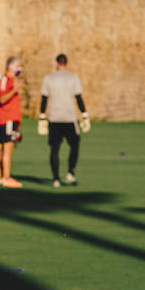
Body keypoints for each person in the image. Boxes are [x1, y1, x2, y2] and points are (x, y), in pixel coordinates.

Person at [39, 53, 89, 188]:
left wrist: (42, 117)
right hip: (69, 118)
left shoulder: (48, 78)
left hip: (54, 118)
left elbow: (44, 99)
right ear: (66, 63)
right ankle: (70, 172)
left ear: (56, 63)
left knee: (55, 148)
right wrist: (84, 115)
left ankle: (55, 179)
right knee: (75, 145)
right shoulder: (73, 78)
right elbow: (78, 98)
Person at [0, 56, 24, 189]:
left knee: (5, 148)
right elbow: (1, 99)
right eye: (18, 66)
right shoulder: (5, 80)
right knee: (7, 147)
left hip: (12, 119)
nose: (20, 68)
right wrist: (14, 89)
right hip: (7, 118)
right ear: (10, 66)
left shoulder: (12, 79)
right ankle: (6, 178)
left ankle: (0, 176)